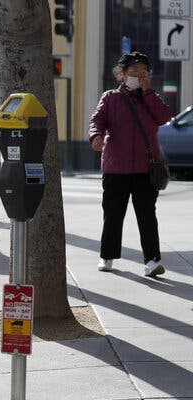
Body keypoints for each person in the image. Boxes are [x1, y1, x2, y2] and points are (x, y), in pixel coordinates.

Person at [88, 51, 172, 277]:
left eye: (143, 70)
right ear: (122, 74)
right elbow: (97, 119)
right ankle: (107, 256)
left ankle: (152, 261)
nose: (139, 74)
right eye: (133, 70)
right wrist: (95, 135)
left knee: (147, 215)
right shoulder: (110, 98)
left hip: (147, 169)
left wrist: (147, 92)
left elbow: (164, 117)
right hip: (116, 168)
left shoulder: (151, 97)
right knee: (113, 214)